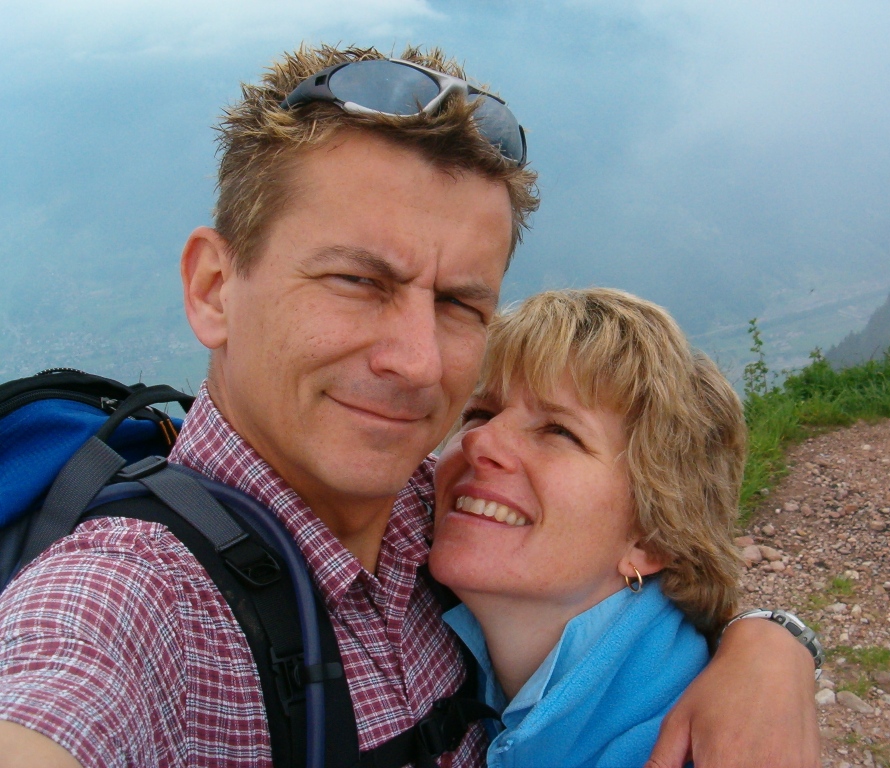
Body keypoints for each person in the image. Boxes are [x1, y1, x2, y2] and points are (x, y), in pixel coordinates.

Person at [0, 43, 819, 767]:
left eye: (460, 304)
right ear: (214, 289)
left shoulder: (442, 518)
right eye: (358, 281)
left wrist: (770, 642)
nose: (420, 363)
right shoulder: (133, 604)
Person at [429, 288, 748, 767]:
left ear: (651, 537)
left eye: (559, 431)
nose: (480, 441)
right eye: (480, 413)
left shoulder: (694, 749)